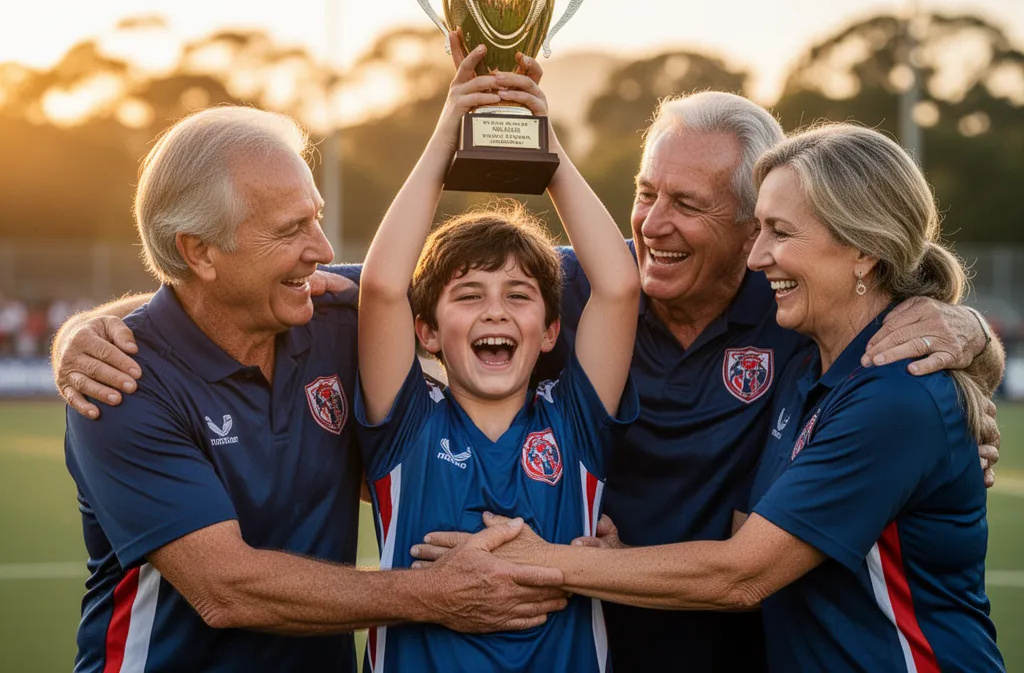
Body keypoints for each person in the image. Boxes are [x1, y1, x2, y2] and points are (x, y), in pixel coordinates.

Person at [52, 91, 1003, 672]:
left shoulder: (799, 322)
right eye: (643, 194)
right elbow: (379, 286)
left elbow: (748, 569)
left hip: (741, 645)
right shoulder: (556, 285)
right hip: (619, 640)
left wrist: (969, 337)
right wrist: (90, 326)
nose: (654, 224)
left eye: (698, 208)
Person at [419, 123, 1005, 672]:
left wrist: (539, 558)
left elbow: (743, 575)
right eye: (646, 193)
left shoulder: (894, 397)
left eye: (779, 232)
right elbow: (754, 532)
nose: (758, 257)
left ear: (863, 250)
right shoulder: (809, 377)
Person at [63, 106, 566, 672]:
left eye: (316, 218)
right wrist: (434, 594)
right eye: (290, 230)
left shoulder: (336, 311)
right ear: (198, 251)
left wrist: (573, 517)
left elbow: (533, 272)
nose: (324, 251)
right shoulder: (120, 381)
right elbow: (227, 589)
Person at [355, 40, 639, 671]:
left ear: (548, 332)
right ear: (426, 332)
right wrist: (447, 130)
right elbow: (380, 288)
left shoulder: (572, 421)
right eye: (468, 295)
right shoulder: (408, 424)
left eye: (518, 294)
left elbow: (619, 288)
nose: (495, 311)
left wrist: (544, 142)